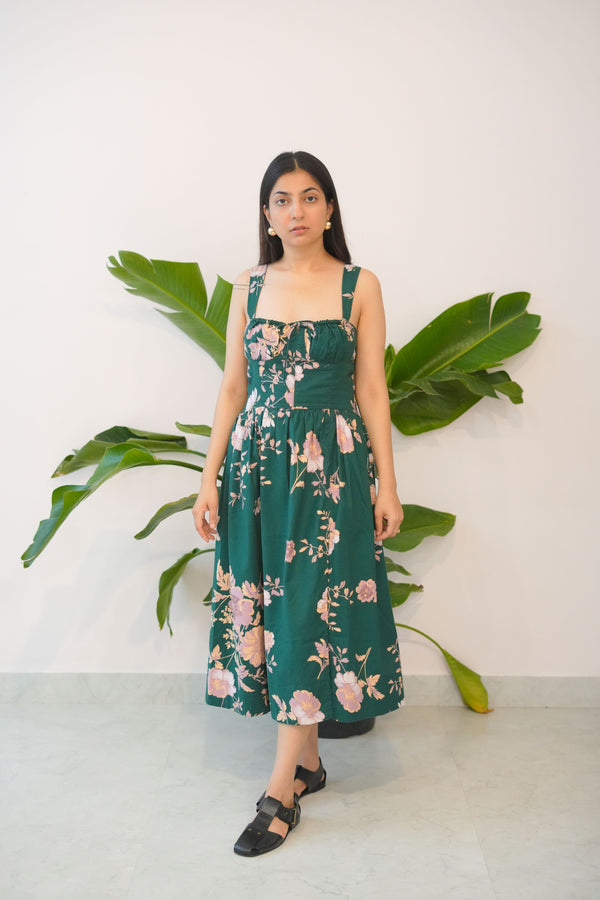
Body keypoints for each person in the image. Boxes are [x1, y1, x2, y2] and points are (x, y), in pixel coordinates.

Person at [192, 150, 404, 857]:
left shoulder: (359, 285)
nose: (297, 211)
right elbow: (231, 387)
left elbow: (373, 390)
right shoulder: (247, 287)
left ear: (330, 208)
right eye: (282, 200)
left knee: (312, 606)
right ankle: (308, 763)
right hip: (256, 468)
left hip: (331, 470)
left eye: (310, 198)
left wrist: (388, 483)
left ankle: (281, 789)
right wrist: (208, 476)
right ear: (267, 214)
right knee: (280, 610)